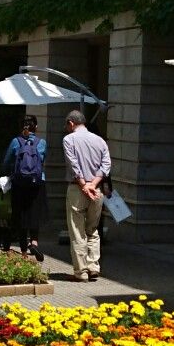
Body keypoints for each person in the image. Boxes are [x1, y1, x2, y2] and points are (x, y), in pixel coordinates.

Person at [61, 108, 111, 282]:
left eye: (66, 125)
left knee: (77, 230)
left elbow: (72, 164)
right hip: (96, 190)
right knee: (93, 229)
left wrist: (83, 185)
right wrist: (93, 184)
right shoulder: (100, 141)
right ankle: (93, 266)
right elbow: (106, 165)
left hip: (77, 189)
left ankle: (81, 271)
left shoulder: (69, 140)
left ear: (71, 123)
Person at [2, 112, 47, 261]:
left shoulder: (16, 142)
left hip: (19, 183)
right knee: (34, 212)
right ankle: (34, 242)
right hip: (37, 183)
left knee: (20, 215)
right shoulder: (42, 142)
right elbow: (42, 160)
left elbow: (7, 161)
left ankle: (23, 251)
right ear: (36, 127)